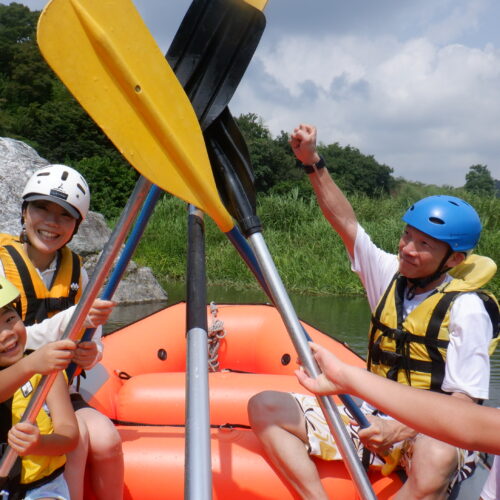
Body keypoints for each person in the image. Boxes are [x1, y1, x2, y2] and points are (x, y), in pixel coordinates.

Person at [248, 123, 498, 500]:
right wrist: (311, 161)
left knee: (437, 454)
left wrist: (402, 428)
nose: (408, 249)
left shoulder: (468, 309)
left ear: (454, 259)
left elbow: (464, 405)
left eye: (424, 245)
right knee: (264, 406)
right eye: (407, 236)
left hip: (426, 432)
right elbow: (345, 223)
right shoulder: (389, 274)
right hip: (365, 415)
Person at [0, 164, 124, 500]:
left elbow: (94, 346)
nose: (52, 223)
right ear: (24, 212)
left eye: (65, 216)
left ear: (76, 227)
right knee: (79, 438)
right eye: (41, 208)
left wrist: (88, 354)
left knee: (107, 438)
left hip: (57, 388)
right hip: (13, 386)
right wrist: (74, 318)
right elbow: (19, 342)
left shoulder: (77, 273)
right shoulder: (1, 264)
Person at [296, 343, 500, 500]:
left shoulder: (470, 309)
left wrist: (347, 378)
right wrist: (346, 377)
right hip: (381, 418)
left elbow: (465, 419)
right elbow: (464, 422)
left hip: (416, 436)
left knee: (437, 453)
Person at [0, 275, 78, 499]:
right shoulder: (33, 365)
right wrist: (28, 366)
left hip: (40, 489)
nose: (6, 334)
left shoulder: (45, 371)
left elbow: (69, 436)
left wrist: (40, 443)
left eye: (9, 319)